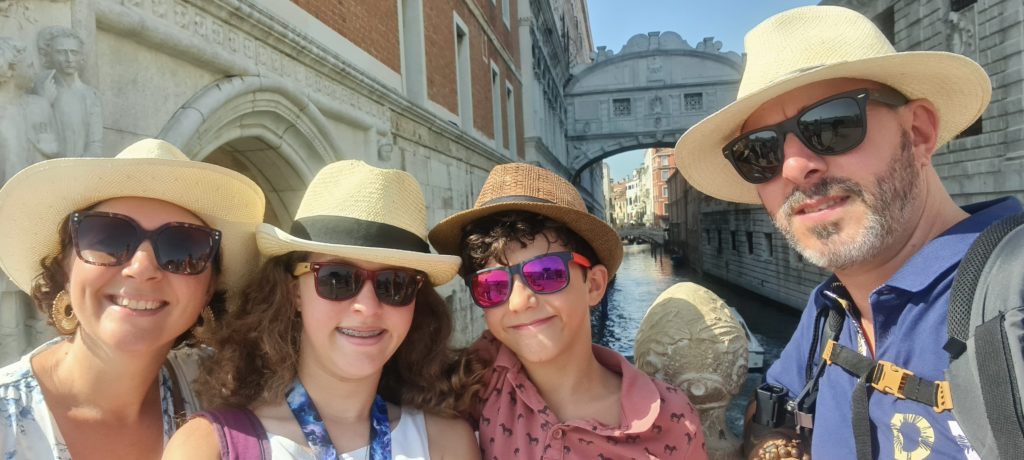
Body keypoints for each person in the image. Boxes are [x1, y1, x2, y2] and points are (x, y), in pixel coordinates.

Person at [673, 5, 1022, 460]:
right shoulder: (828, 314)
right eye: (758, 151)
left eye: (831, 124)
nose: (795, 168)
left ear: (918, 133)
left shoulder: (1013, 300)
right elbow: (773, 416)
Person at [163, 160, 479, 459]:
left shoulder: (447, 444)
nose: (367, 307)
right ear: (294, 292)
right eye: (337, 278)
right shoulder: (210, 446)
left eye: (395, 283)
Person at [0, 138, 266, 459]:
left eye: (182, 249)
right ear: (65, 267)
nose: (141, 268)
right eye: (109, 239)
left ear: (209, 288)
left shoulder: (230, 391)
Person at [428, 163, 706, 459]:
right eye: (492, 285)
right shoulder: (468, 390)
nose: (519, 302)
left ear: (594, 285)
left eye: (546, 273)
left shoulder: (672, 421)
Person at [32, 26, 102, 158]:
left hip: (80, 166)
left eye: (74, 53)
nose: (69, 59)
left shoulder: (90, 95)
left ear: (81, 56)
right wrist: (44, 102)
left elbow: (95, 144)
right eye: (61, 52)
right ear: (49, 56)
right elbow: (36, 135)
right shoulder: (42, 88)